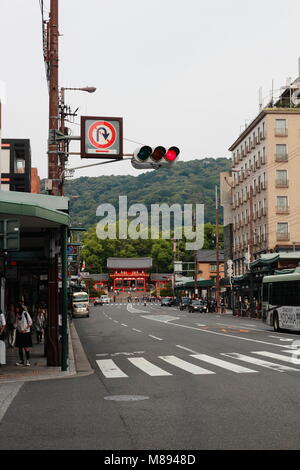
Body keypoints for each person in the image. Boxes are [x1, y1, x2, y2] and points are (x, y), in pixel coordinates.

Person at [14, 302, 33, 367]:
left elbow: (30, 322)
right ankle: (21, 361)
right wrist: (16, 321)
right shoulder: (17, 314)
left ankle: (27, 361)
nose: (16, 309)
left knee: (26, 347)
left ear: (19, 308)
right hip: (19, 332)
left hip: (26, 333)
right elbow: (16, 325)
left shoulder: (25, 313)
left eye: (16, 308)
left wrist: (25, 330)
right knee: (20, 347)